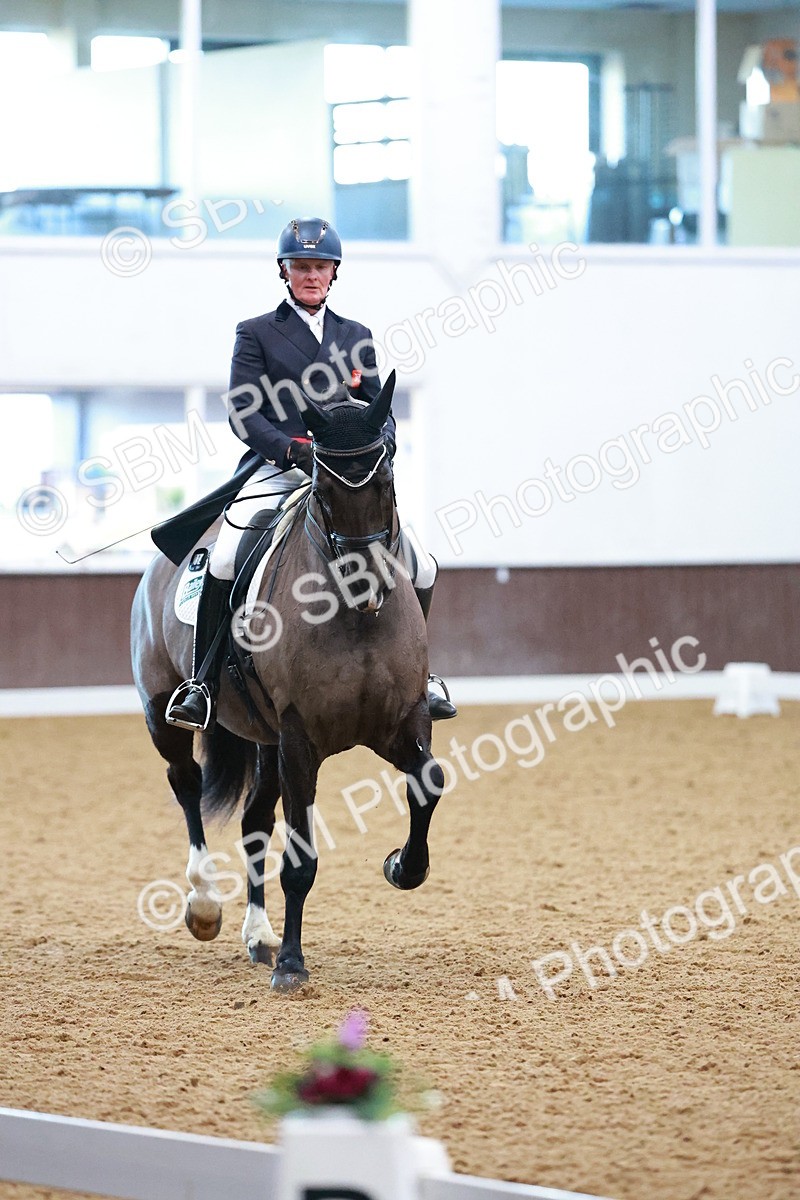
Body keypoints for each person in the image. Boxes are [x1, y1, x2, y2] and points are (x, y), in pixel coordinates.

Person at [154, 217, 456, 731]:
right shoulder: (255, 332)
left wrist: (380, 446)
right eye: (301, 267)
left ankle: (419, 677)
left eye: (320, 267)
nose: (311, 276)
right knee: (225, 556)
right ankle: (202, 684)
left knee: (422, 565)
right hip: (279, 469)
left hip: (346, 477)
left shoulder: (355, 335)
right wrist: (290, 450)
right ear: (284, 272)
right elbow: (243, 413)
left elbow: (377, 408)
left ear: (334, 272)